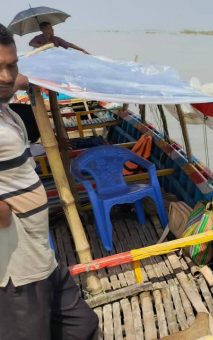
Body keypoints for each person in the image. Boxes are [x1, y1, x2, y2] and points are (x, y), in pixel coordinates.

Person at [0, 23, 98, 340]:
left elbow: (18, 81)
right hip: (15, 270)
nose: (5, 76)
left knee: (82, 327)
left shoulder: (4, 104)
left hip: (40, 255)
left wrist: (54, 69)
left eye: (10, 65)